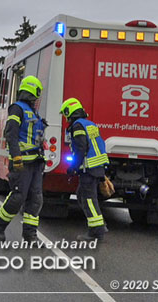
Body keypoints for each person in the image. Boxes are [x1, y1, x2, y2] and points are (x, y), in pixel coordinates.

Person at [0, 75, 46, 243]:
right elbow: (11, 133)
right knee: (18, 197)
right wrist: (16, 156)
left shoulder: (34, 112)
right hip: (22, 162)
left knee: (35, 199)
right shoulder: (17, 109)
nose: (38, 98)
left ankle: (30, 235)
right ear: (31, 92)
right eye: (37, 94)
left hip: (35, 162)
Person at [59, 98, 109, 241]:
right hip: (97, 166)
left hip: (89, 168)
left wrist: (73, 167)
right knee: (81, 195)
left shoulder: (77, 126)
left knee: (88, 199)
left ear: (69, 112)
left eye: (65, 114)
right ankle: (100, 224)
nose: (66, 118)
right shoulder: (90, 124)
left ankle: (96, 231)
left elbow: (81, 148)